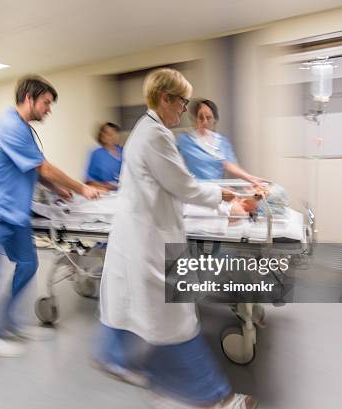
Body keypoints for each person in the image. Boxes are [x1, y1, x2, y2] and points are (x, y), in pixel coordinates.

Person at [94, 68, 257, 409]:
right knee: (175, 321)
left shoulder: (146, 130)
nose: (186, 109)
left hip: (140, 233)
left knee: (130, 308)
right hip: (148, 240)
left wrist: (224, 199)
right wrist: (228, 198)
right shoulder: (156, 135)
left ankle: (116, 359)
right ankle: (214, 398)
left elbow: (173, 188)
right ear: (166, 99)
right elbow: (184, 185)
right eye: (183, 102)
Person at [0, 75, 102, 357]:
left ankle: (8, 321)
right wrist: (80, 188)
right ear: (29, 99)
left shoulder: (25, 130)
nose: (49, 109)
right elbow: (42, 167)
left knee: (28, 264)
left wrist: (57, 188)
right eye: (46, 103)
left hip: (14, 212)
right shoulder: (10, 126)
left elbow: (32, 169)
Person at [177, 99, 267, 187]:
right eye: (201, 117)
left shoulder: (222, 142)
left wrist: (250, 179)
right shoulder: (185, 141)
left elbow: (230, 165)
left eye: (208, 118)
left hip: (218, 192)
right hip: (195, 192)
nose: (204, 122)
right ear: (195, 119)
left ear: (214, 120)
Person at [84, 122, 123, 191]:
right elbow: (89, 181)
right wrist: (107, 186)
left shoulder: (124, 151)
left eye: (114, 133)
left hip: (125, 192)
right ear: (102, 136)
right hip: (106, 193)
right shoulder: (97, 154)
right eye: (108, 134)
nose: (112, 136)